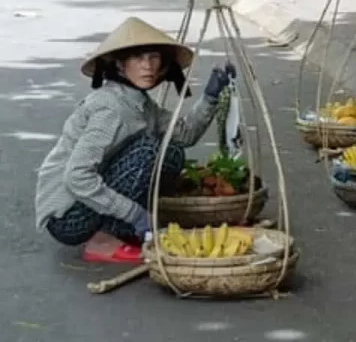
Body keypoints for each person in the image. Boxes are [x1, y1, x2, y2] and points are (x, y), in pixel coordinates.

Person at [34, 17, 236, 264]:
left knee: (171, 154)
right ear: (120, 64)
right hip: (68, 217)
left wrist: (211, 96)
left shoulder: (140, 103)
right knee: (150, 152)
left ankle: (124, 229)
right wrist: (136, 214)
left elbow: (183, 134)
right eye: (138, 58)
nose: (148, 66)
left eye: (154, 57)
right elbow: (77, 177)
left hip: (87, 203)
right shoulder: (111, 108)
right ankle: (104, 238)